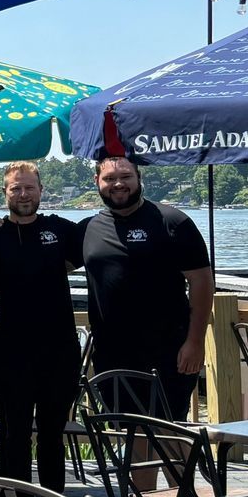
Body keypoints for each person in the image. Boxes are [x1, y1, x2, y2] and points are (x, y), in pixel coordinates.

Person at [0, 161, 86, 497]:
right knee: (15, 435)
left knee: (52, 432)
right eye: (15, 188)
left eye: (29, 188)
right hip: (11, 349)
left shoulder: (60, 229)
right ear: (5, 193)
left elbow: (99, 246)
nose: (23, 194)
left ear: (41, 190)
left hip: (59, 348)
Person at [82, 156, 213, 421]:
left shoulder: (173, 221)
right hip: (112, 355)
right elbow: (45, 264)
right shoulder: (88, 229)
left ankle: (183, 466)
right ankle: (141, 467)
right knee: (131, 434)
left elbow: (202, 282)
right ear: (97, 182)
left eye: (126, 177)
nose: (118, 184)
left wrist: (195, 342)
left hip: (169, 352)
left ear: (139, 178)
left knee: (170, 431)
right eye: (109, 178)